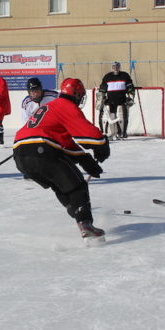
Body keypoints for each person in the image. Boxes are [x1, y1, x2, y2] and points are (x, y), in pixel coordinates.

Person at [13, 78, 110, 242]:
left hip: (20, 155)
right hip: (41, 150)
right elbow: (88, 135)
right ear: (77, 94)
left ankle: (76, 211)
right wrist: (102, 144)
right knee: (78, 185)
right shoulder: (67, 106)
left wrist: (85, 159)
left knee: (61, 186)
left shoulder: (50, 106)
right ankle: (85, 225)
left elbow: (64, 142)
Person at [98, 61, 135, 139]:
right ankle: (107, 133)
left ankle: (121, 133)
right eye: (114, 66)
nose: (116, 68)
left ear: (119, 67)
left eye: (117, 66)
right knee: (107, 117)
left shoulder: (125, 75)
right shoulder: (107, 77)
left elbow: (130, 87)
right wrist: (100, 100)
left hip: (122, 101)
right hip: (110, 101)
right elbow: (102, 89)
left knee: (121, 116)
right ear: (112, 67)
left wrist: (131, 97)